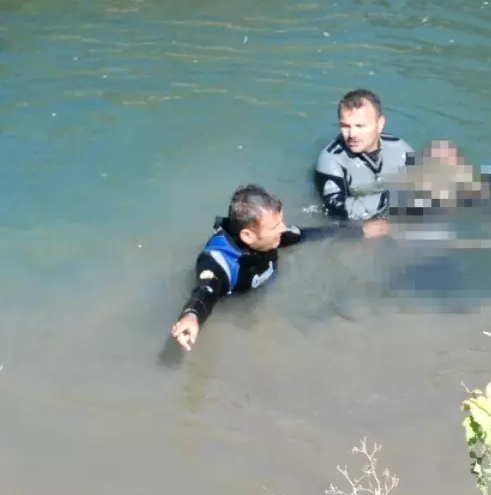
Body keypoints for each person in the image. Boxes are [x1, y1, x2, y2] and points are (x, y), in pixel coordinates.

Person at [169, 184, 386, 351]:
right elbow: (206, 291)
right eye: (275, 227)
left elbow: (307, 235)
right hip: (242, 313)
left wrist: (359, 232)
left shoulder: (269, 236)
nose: (283, 230)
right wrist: (191, 316)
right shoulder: (219, 262)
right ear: (247, 235)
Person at [314, 89, 416, 221]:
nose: (352, 134)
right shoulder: (331, 160)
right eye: (345, 126)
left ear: (380, 124)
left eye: (360, 126)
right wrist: (389, 200)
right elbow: (335, 210)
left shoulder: (401, 150)